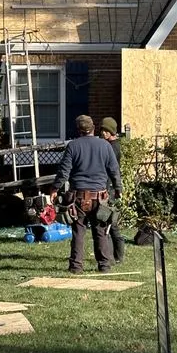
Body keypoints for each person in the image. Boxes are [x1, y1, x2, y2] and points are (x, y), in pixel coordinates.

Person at [50, 115, 122, 273]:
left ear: (78, 130)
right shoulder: (105, 146)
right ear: (94, 128)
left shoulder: (73, 146)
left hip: (78, 197)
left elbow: (64, 172)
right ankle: (104, 265)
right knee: (100, 231)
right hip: (100, 197)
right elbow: (114, 171)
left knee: (78, 232)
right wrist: (118, 189)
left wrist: (55, 189)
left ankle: (76, 267)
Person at [99, 117, 125, 264]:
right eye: (102, 129)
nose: (102, 132)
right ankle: (115, 255)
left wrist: (114, 188)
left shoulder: (112, 147)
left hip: (108, 189)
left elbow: (111, 169)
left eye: (105, 130)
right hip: (109, 187)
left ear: (111, 132)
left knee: (108, 224)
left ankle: (114, 256)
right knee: (109, 223)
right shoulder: (110, 145)